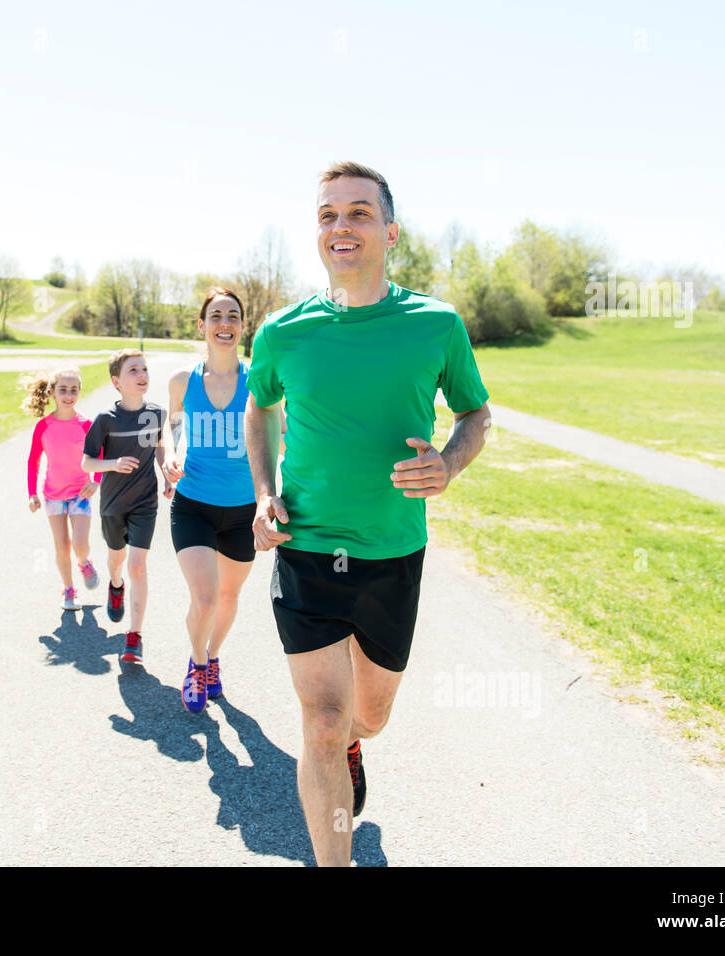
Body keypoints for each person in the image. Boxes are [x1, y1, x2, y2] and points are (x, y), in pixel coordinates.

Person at [244, 161, 492, 867]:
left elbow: (476, 413)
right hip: (308, 548)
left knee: (367, 717)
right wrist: (264, 492)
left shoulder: (435, 325)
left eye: (357, 213)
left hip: (392, 552)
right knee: (321, 721)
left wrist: (449, 462)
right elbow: (259, 413)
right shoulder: (283, 333)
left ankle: (355, 739)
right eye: (327, 214)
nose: (340, 226)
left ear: (389, 231)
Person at [167, 287, 258, 713]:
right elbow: (172, 426)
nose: (225, 323)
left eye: (234, 316)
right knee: (204, 597)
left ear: (243, 326)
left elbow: (279, 438)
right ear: (202, 326)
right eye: (216, 316)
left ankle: (214, 657)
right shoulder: (182, 382)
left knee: (227, 599)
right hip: (194, 504)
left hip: (243, 510)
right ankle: (197, 663)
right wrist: (168, 456)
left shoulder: (258, 380)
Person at [81, 349, 180, 664]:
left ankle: (134, 636)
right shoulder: (105, 420)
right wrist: (112, 463)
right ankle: (115, 584)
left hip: (144, 502)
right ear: (116, 382)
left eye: (144, 369)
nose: (142, 375)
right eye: (133, 370)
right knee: (116, 560)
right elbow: (87, 462)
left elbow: (162, 450)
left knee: (137, 564)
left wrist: (166, 474)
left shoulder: (157, 414)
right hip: (112, 504)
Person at [22, 367, 101, 611]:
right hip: (53, 495)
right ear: (53, 392)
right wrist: (32, 493)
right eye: (63, 390)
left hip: (80, 492)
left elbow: (99, 454)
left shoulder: (86, 424)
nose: (69, 395)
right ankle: (68, 590)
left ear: (79, 392)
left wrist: (95, 481)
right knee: (61, 545)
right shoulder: (43, 426)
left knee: (80, 543)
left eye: (74, 390)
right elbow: (33, 460)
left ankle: (84, 561)